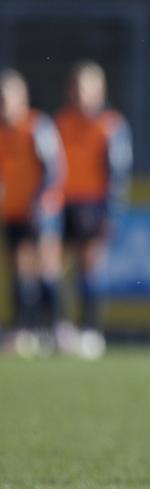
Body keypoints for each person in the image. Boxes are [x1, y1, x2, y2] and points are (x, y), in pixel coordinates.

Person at [55, 60, 132, 358]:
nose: (77, 93)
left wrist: (112, 210)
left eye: (83, 87)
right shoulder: (61, 121)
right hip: (63, 203)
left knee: (91, 267)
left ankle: (91, 331)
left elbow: (119, 172)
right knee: (59, 268)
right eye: (73, 87)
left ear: (99, 90)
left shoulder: (110, 124)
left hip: (94, 203)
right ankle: (62, 328)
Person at [0, 69, 65, 357]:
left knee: (46, 268)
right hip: (12, 210)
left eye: (6, 98)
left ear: (21, 98)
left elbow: (54, 169)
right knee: (20, 273)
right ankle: (24, 330)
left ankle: (57, 329)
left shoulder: (37, 126)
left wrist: (39, 201)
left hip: (40, 211)